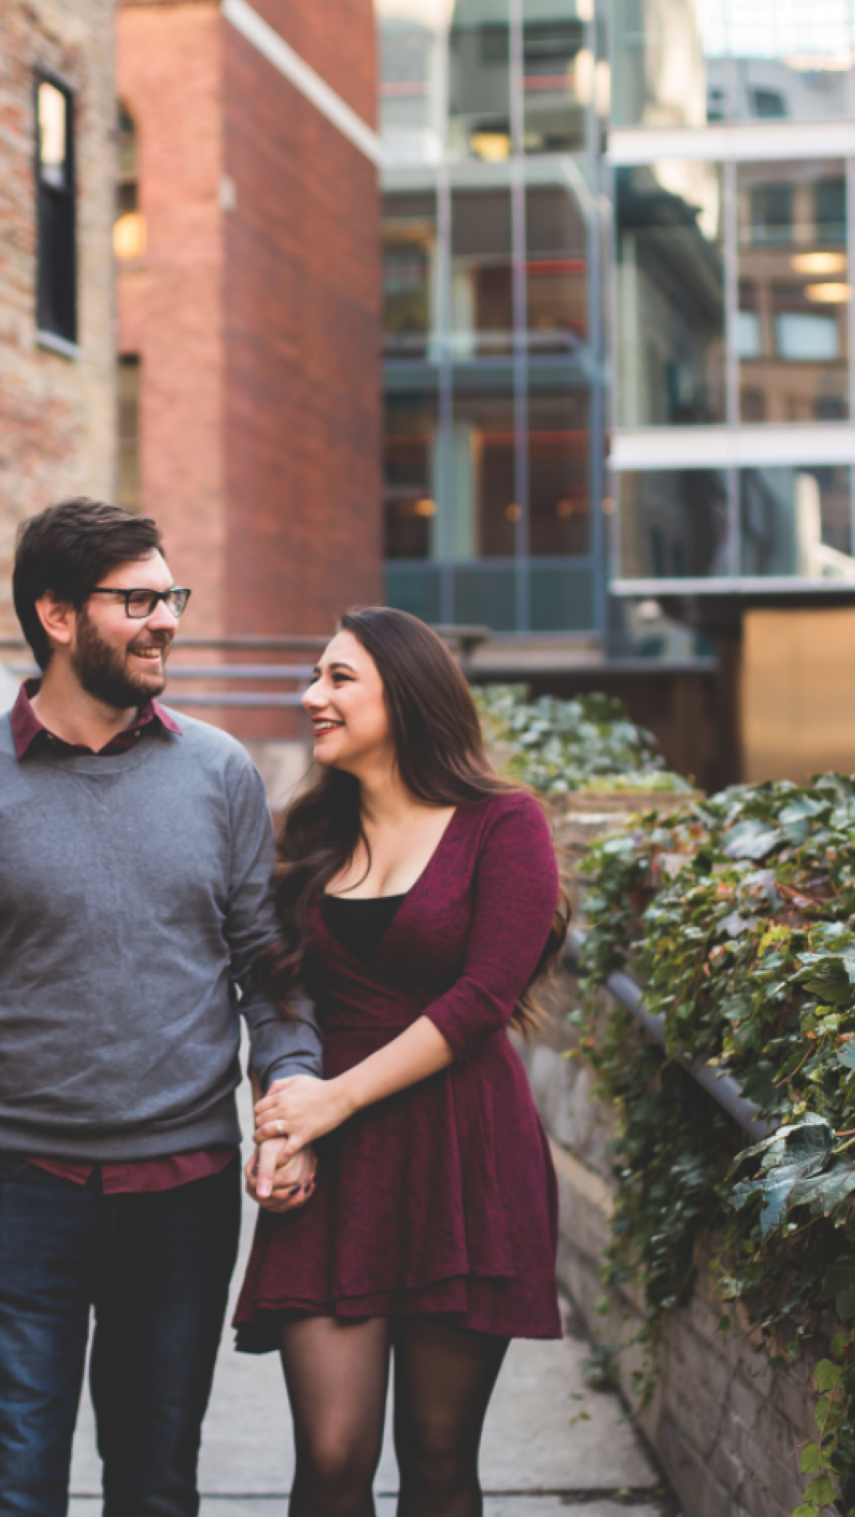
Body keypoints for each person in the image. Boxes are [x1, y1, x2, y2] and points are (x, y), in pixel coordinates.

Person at [0, 497, 322, 1517]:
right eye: (138, 599)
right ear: (59, 614)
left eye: (171, 594)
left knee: (157, 1483)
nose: (166, 617)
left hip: (185, 1190)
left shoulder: (219, 773)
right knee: (11, 1485)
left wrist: (289, 1086)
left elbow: (267, 967)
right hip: (13, 1190)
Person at [232, 606, 568, 1517]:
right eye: (315, 676)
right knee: (333, 1459)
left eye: (339, 679)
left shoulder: (505, 824)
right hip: (332, 1160)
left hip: (466, 1153)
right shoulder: (304, 839)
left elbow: (483, 997)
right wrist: (288, 1119)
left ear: (408, 696)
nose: (313, 697)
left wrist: (332, 1103)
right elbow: (278, 996)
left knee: (437, 1455)